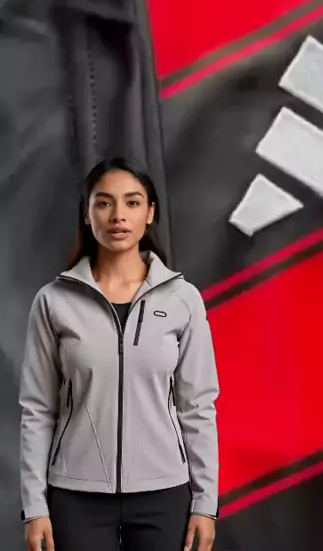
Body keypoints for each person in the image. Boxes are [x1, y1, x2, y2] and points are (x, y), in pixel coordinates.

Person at [19, 157, 220, 551]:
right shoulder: (53, 301)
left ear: (150, 213)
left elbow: (198, 406)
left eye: (132, 202)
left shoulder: (183, 299)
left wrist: (205, 502)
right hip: (76, 496)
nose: (118, 216)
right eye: (104, 203)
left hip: (164, 493)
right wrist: (34, 506)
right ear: (87, 213)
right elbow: (37, 409)